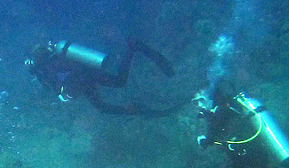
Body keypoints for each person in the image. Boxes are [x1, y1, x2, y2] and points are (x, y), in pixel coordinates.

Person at [25, 37, 176, 116]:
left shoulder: (46, 68)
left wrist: (67, 92)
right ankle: (135, 110)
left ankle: (133, 46)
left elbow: (61, 84)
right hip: (84, 79)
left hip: (86, 76)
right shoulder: (49, 63)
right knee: (103, 104)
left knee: (118, 84)